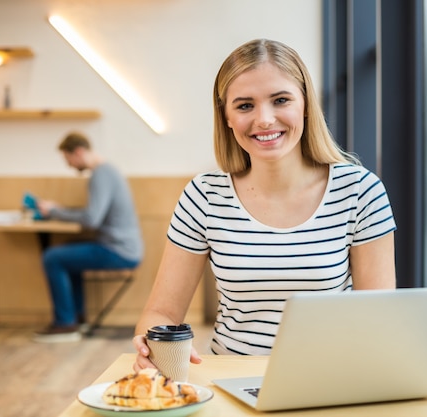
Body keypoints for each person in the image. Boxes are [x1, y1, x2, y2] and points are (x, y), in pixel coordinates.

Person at [133, 39, 396, 370]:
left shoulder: (360, 191)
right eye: (245, 106)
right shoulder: (204, 196)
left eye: (281, 100)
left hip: (331, 379)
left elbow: (379, 317)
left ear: (305, 104)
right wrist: (151, 348)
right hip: (231, 380)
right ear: (226, 117)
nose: (265, 120)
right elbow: (162, 313)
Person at [33, 132, 144, 343]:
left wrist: (54, 212)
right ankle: (77, 318)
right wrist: (60, 209)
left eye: (68, 160)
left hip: (118, 250)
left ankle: (66, 324)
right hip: (122, 247)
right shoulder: (108, 171)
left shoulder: (101, 174)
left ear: (78, 152)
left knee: (53, 257)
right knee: (67, 253)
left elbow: (92, 219)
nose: (69, 166)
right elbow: (94, 213)